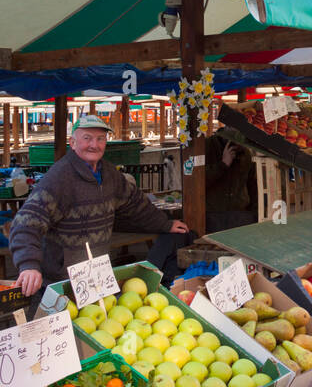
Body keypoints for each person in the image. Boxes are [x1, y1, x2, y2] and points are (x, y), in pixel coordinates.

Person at [10, 115, 190, 297]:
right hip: (62, 280)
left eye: (100, 139)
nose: (94, 145)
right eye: (87, 138)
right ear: (72, 143)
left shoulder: (109, 173)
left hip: (98, 274)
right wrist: (29, 264)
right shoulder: (59, 178)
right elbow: (26, 223)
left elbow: (135, 203)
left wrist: (165, 224)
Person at [205, 132, 257, 233]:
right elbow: (200, 181)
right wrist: (223, 164)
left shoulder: (245, 153)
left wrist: (255, 214)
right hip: (215, 215)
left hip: (241, 215)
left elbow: (252, 186)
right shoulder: (208, 146)